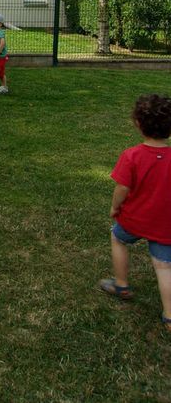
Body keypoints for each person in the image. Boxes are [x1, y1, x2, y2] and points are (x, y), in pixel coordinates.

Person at [99, 94, 171, 333]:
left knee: (118, 238)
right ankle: (169, 316)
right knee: (164, 267)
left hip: (133, 219)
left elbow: (122, 188)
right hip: (165, 224)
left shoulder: (131, 156)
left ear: (138, 124)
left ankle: (121, 285)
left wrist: (114, 208)